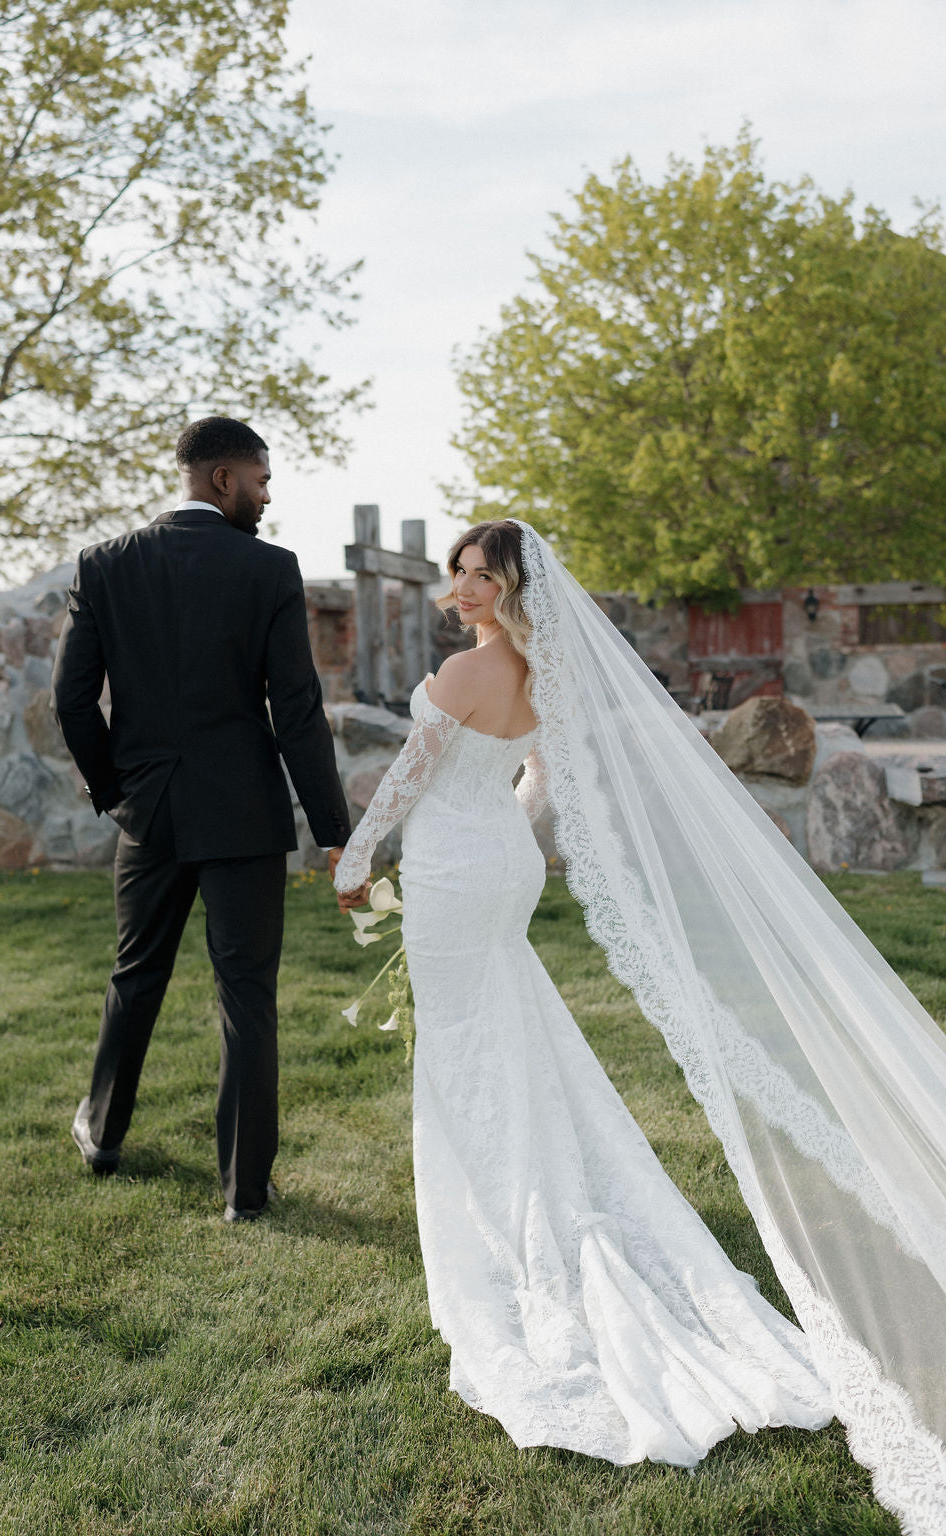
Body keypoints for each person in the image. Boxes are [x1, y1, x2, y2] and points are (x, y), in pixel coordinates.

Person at [331, 519, 946, 1532]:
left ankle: (502, 1221)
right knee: (509, 1033)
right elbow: (532, 783)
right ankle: (530, 1183)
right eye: (457, 577)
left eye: (480, 577)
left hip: (450, 870)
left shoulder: (466, 672)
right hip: (497, 866)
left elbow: (404, 781)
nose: (463, 591)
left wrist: (356, 861)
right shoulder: (543, 673)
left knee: (462, 1051)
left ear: (513, 585)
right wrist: (493, 845)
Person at [51, 415, 369, 1222]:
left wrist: (116, 790)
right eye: (261, 481)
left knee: (136, 975)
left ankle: (102, 1134)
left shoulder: (105, 565)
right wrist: (336, 831)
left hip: (148, 815)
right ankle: (244, 1192)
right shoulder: (269, 569)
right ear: (222, 478)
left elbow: (71, 699)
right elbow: (296, 710)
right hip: (245, 815)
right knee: (247, 997)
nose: (266, 498)